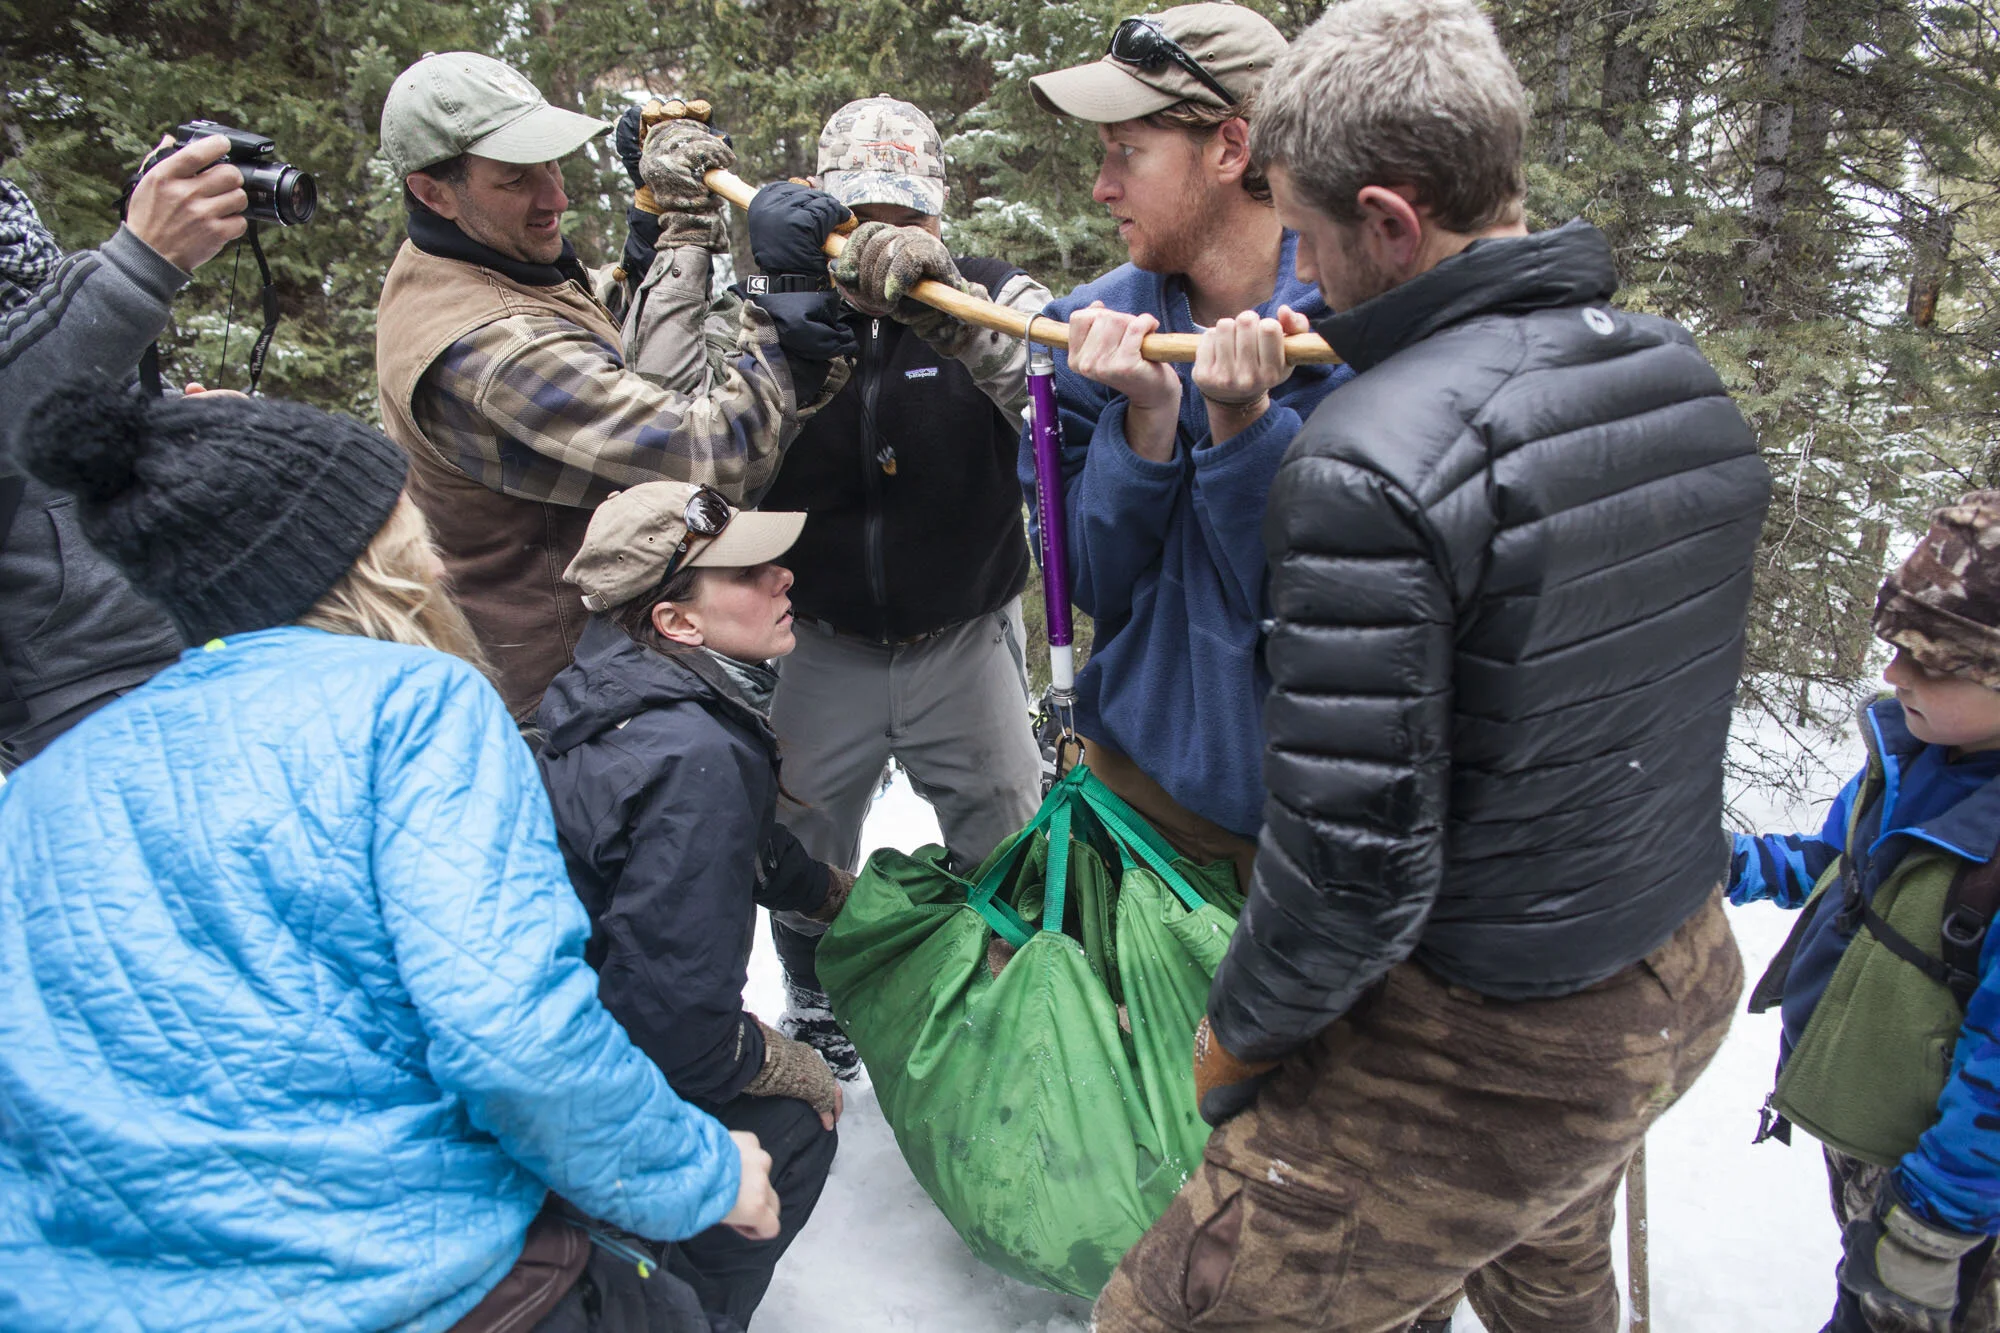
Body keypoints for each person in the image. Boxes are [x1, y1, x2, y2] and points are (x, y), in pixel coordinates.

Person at [1096, 1, 1774, 1330]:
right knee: (1543, 1280)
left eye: (1310, 230)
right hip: (1674, 972)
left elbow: (1353, 866)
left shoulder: (1372, 450)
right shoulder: (1675, 375)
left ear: (1393, 222)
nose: (1300, 264)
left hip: (1487, 1039)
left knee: (1172, 1311)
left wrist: (1238, 1039)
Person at [0, 384, 781, 1333]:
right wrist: (701, 1174)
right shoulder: (411, 706)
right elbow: (512, 1040)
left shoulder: (43, 784)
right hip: (415, 1282)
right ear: (368, 550)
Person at [696, 96, 1048, 1074]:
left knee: (1004, 829)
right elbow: (694, 442)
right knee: (804, 833)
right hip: (821, 636)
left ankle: (1011, 991)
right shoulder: (773, 316)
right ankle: (815, 999)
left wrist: (955, 324)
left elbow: (1057, 390)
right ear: (826, 218)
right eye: (863, 220)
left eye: (910, 219)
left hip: (963, 635)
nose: (887, 244)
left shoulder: (986, 293)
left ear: (939, 217)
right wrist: (782, 309)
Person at [373, 51, 856, 720]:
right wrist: (784, 303)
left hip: (606, 677)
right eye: (517, 180)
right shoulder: (485, 351)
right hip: (565, 706)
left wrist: (660, 230)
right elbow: (710, 463)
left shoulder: (464, 256)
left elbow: (596, 345)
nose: (556, 197)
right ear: (433, 191)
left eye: (551, 164)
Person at [1022, 2, 1353, 889]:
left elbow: (1333, 611)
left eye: (1126, 150)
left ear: (1232, 149)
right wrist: (1147, 424)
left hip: (1328, 848)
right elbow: (1084, 583)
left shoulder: (1360, 338)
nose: (1102, 186)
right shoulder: (1082, 335)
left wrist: (1246, 424)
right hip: (1135, 808)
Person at [535, 481, 848, 1327]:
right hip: (585, 1079)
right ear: (678, 620)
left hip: (553, 1041)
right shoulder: (696, 750)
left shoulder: (619, 685)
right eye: (748, 571)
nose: (783, 577)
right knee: (794, 1123)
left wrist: (820, 891)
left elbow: (705, 839)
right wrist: (781, 1063)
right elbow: (671, 1023)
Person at [1729, 494, 2000, 1333]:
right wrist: (1709, 866)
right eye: (1897, 649)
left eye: (1934, 661)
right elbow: (1837, 866)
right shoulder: (1922, 753)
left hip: (1957, 1207)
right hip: (1882, 1154)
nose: (1894, 676)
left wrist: (1929, 1232)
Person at [0, 134, 247, 771]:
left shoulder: (16, 229)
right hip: (78, 691)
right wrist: (143, 259)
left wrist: (166, 425)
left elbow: (65, 396)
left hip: (188, 642)